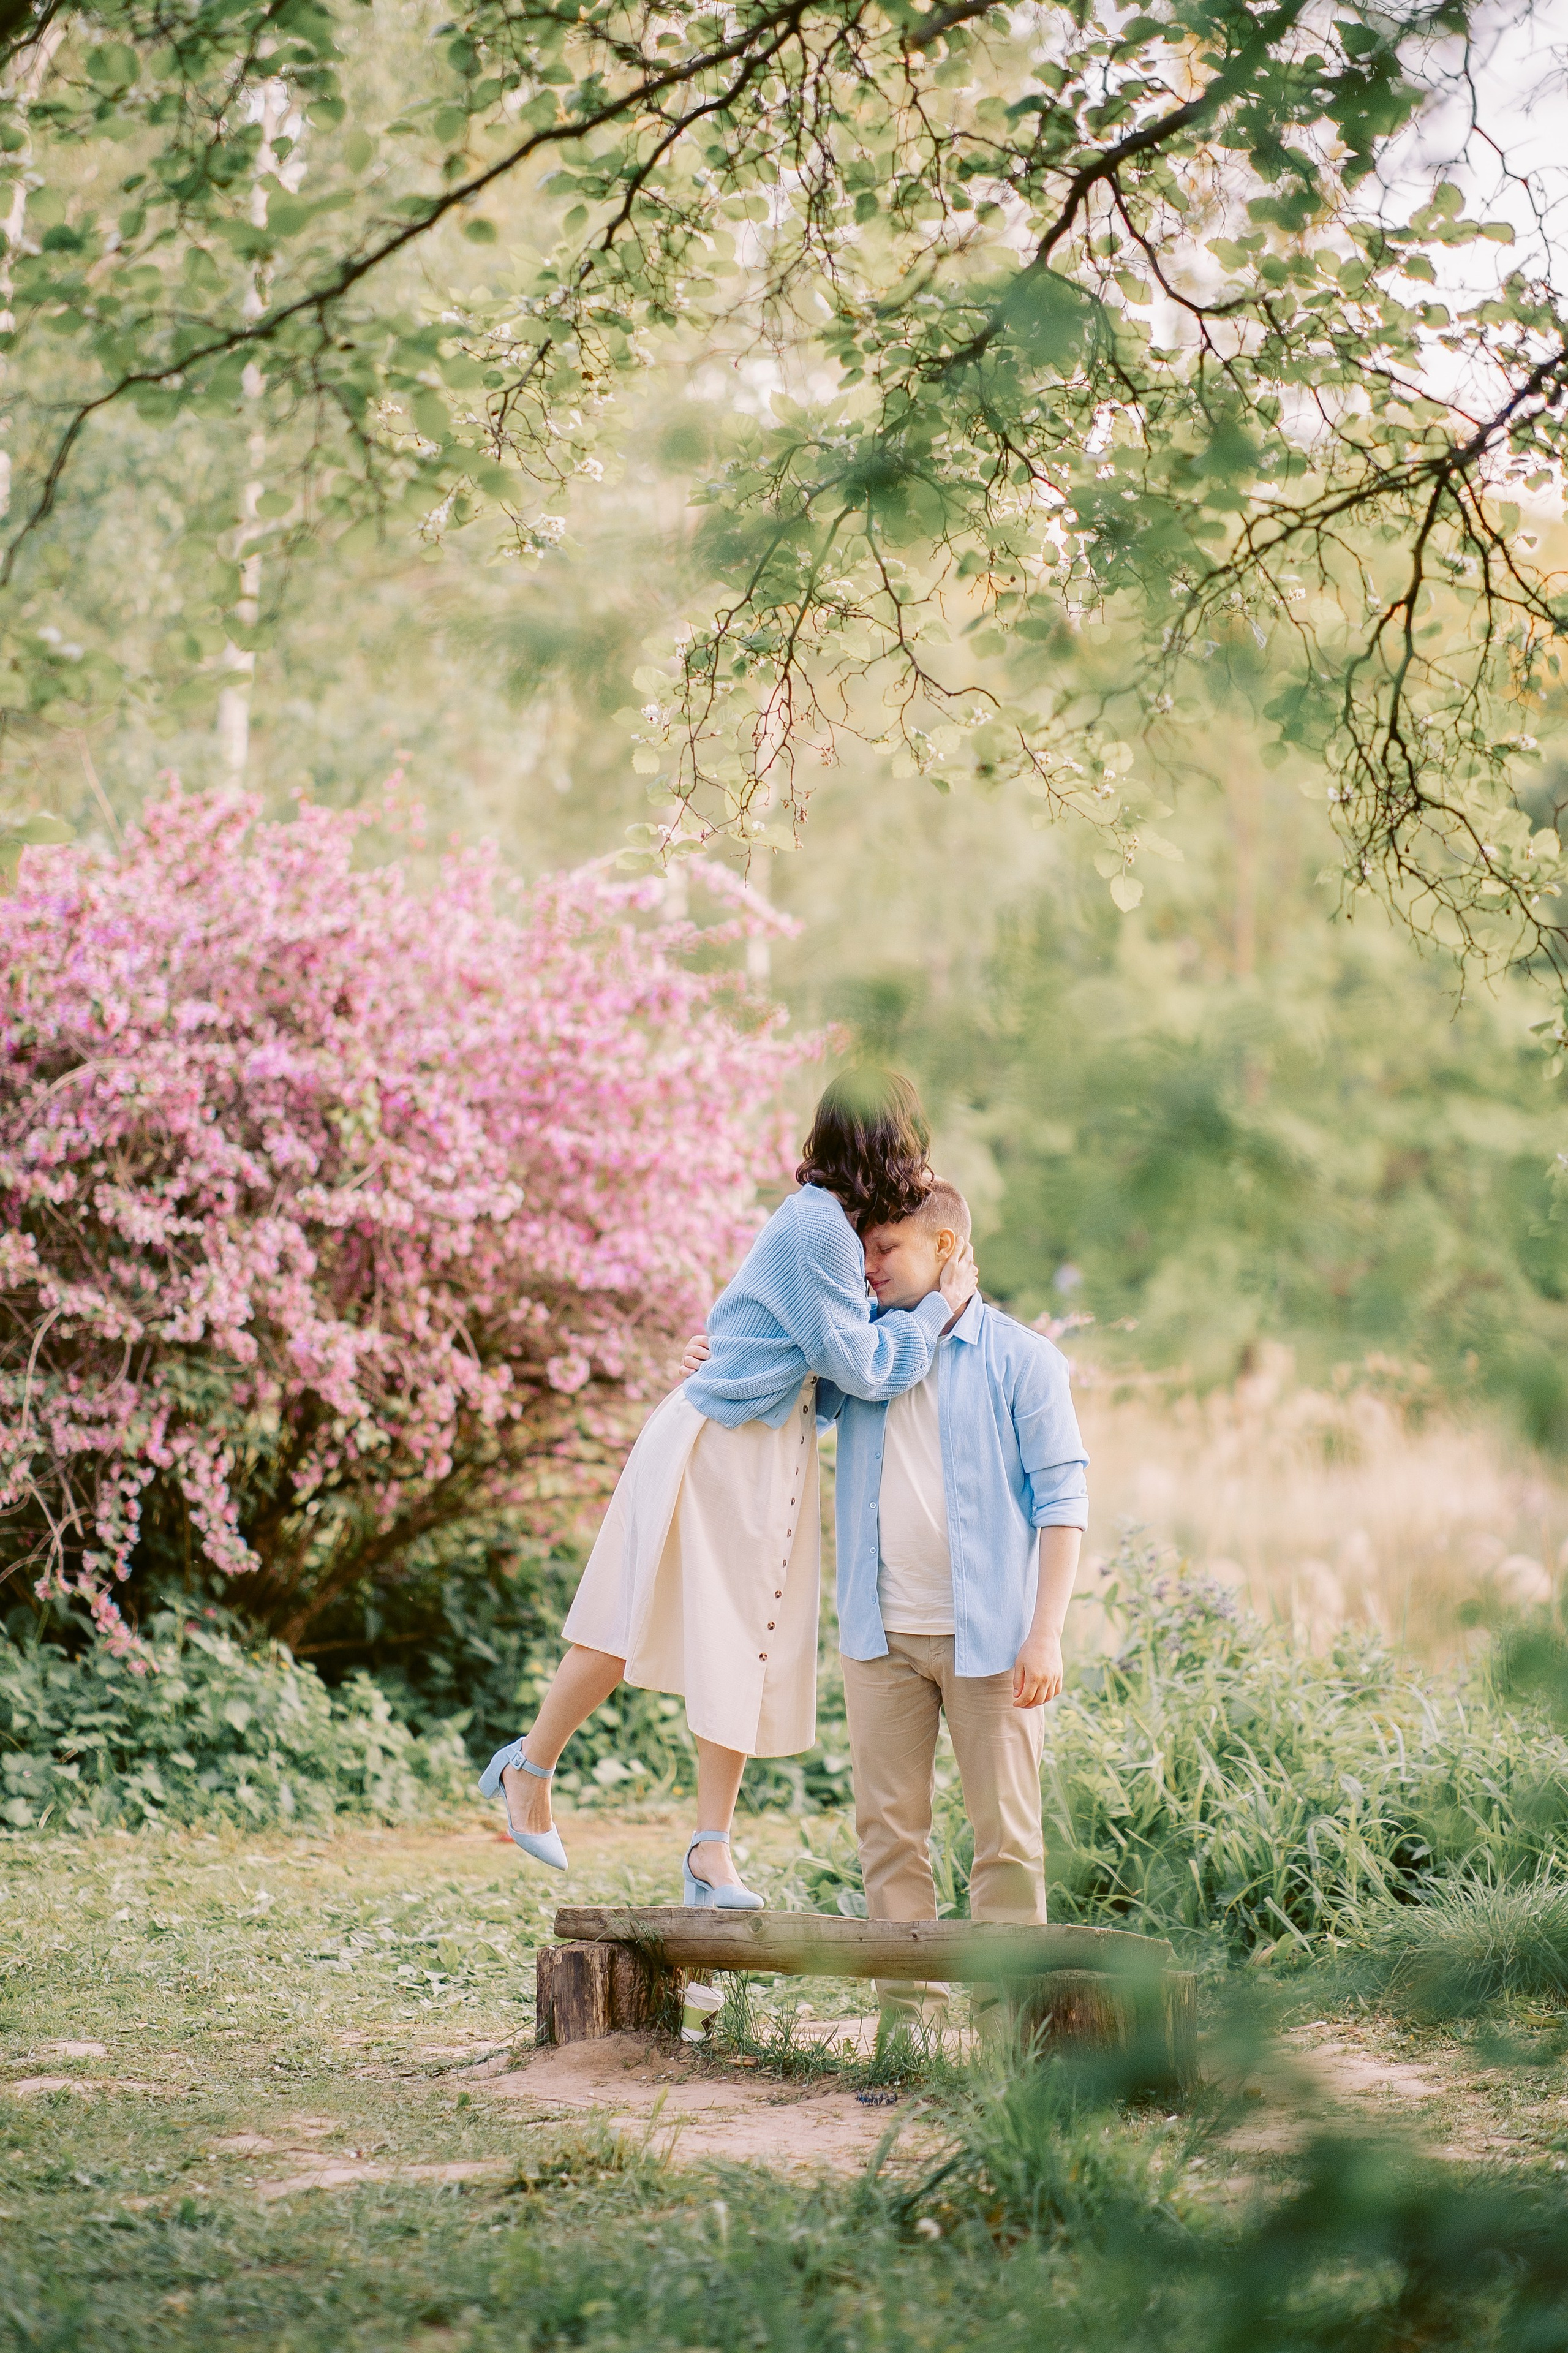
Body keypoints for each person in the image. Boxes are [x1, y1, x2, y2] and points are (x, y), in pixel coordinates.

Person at [478, 1070, 977, 1912]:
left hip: (762, 1444)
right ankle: (528, 1768)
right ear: (888, 1145)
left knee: (743, 1642)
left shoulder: (836, 1232)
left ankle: (709, 1853)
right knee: (629, 1617)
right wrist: (936, 1317)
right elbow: (858, 1365)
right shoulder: (818, 1228)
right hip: (720, 1444)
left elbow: (822, 1364)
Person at [683, 1179, 1087, 2021]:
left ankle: (1015, 2036)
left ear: (945, 1248)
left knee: (1007, 1842)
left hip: (996, 1643)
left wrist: (1045, 1635)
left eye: (883, 1249)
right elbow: (773, 1387)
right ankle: (913, 2031)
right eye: (862, 1248)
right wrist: (715, 1366)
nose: (864, 1267)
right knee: (890, 1840)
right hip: (880, 1640)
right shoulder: (863, 1354)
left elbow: (1063, 1504)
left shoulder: (1024, 1360)